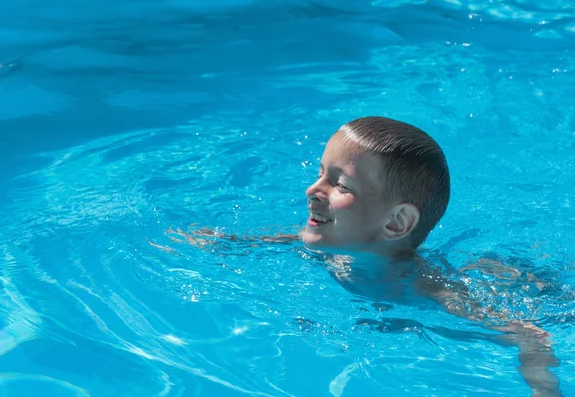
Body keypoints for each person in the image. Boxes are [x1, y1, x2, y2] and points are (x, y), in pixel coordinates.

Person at [153, 116, 563, 396]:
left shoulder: (427, 290)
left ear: (396, 223)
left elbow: (529, 335)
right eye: (320, 173)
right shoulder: (333, 249)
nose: (313, 190)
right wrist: (228, 242)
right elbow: (285, 238)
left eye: (339, 184)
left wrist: (543, 388)